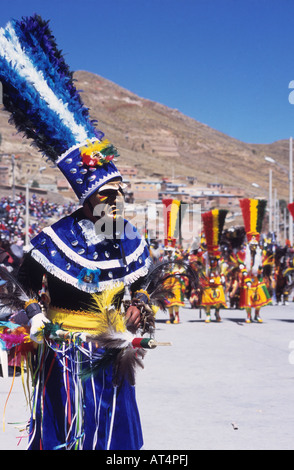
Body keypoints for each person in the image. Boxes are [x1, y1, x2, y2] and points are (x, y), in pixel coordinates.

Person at [0, 15, 153, 450]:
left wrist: (141, 305)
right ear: (88, 200)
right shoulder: (54, 240)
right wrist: (35, 318)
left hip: (114, 353)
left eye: (120, 195)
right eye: (109, 196)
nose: (117, 203)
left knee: (116, 438)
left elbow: (145, 283)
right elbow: (19, 285)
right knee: (69, 435)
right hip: (65, 358)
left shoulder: (129, 239)